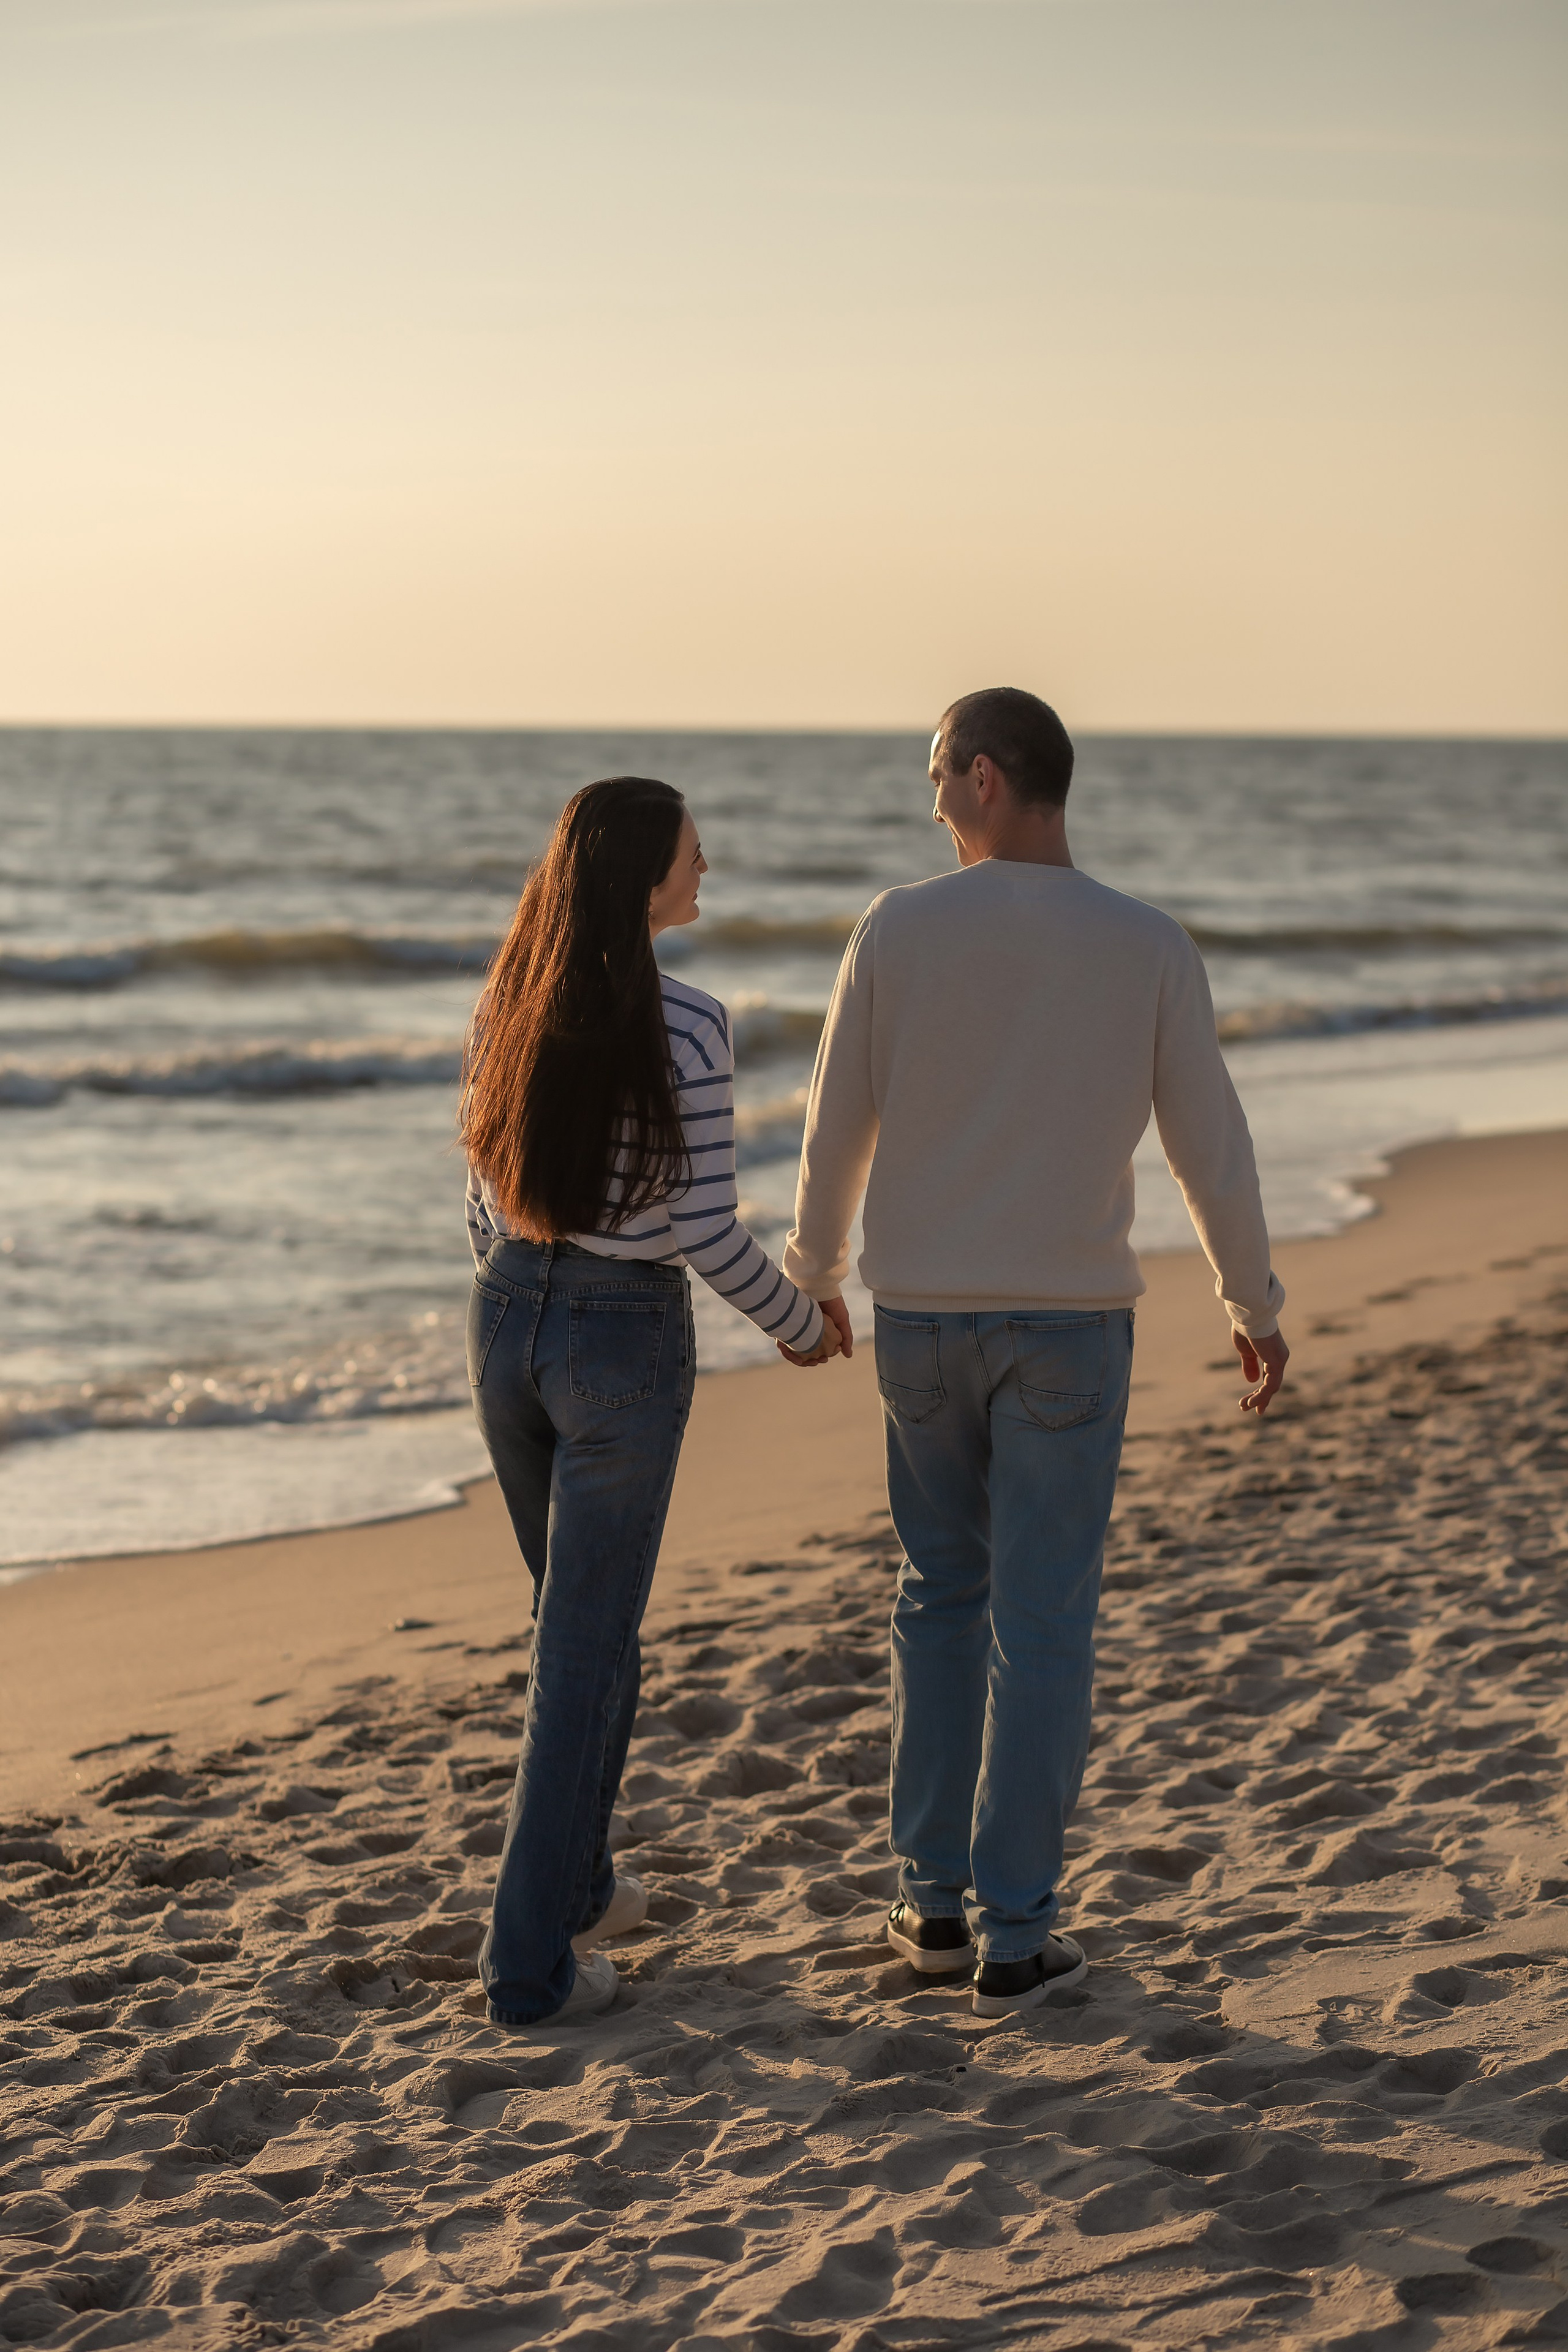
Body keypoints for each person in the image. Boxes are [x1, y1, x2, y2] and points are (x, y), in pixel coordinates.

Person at [779, 689, 1289, 2018]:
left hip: (924, 1319)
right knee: (1042, 1622)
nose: (927, 793)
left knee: (938, 1598)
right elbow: (1207, 1146)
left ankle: (929, 1908)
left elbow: (835, 1122)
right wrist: (1251, 1303)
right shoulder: (1144, 942)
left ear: (986, 779)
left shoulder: (896, 927)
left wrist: (811, 1277)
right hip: (1067, 1324)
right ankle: (1015, 1930)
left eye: (935, 770)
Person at [459, 775, 840, 2027]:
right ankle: (527, 1968)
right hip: (619, 1339)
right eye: (691, 850)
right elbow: (698, 1225)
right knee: (582, 1647)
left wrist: (524, 1290)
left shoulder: (507, 1002)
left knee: (575, 1631)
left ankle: (574, 1889)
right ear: (641, 877)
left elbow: (479, 1185)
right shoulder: (690, 1023)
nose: (708, 864)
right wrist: (798, 1321)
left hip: (505, 1317)